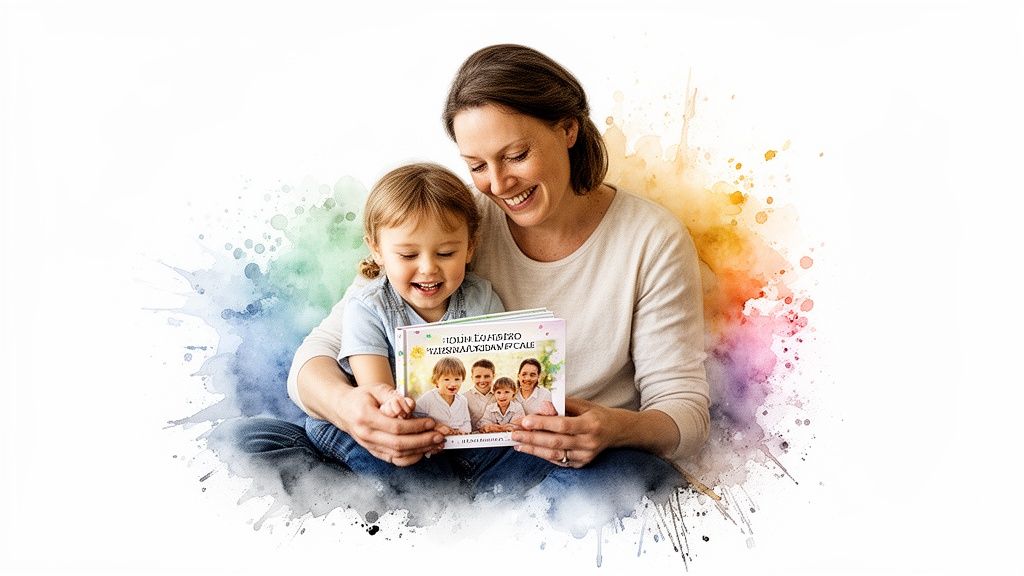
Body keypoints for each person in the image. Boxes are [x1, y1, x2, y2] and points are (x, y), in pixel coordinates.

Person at [243, 43, 709, 530]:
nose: (499, 184)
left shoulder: (651, 238)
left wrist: (615, 429)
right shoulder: (451, 222)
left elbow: (685, 415)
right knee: (243, 444)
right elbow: (313, 360)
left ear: (568, 128)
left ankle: (411, 524)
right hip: (420, 456)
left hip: (542, 464)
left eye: (516, 156)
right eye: (477, 165)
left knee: (642, 480)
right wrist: (352, 411)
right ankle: (426, 522)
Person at [303, 163, 504, 467]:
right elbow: (376, 395)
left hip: (460, 434)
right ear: (377, 251)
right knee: (348, 441)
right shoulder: (368, 307)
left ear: (470, 248)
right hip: (390, 432)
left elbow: (496, 371)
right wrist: (401, 418)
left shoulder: (482, 298)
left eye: (446, 253)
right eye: (408, 255)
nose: (428, 268)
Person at [412, 357, 472, 435]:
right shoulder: (428, 398)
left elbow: (466, 422)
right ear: (436, 380)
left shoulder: (463, 400)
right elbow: (414, 418)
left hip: (458, 441)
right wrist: (435, 426)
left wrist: (462, 431)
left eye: (457, 379)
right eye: (447, 379)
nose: (453, 384)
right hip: (436, 440)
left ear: (462, 379)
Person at [464, 359, 496, 430]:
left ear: (493, 376)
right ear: (472, 378)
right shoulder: (465, 397)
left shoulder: (501, 394)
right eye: (478, 377)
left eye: (487, 376)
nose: (482, 380)